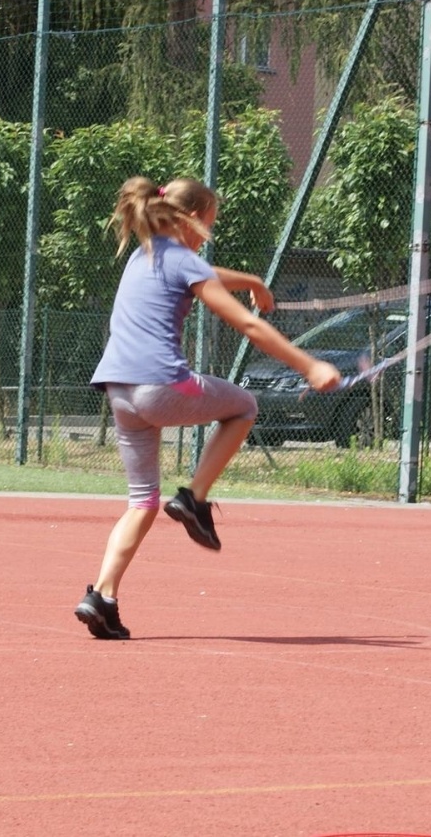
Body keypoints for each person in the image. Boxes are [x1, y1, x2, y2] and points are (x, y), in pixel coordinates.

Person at [73, 176, 342, 640]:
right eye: (208, 226)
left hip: (121, 395)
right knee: (243, 406)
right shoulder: (181, 258)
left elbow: (208, 275)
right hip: (162, 386)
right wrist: (309, 365)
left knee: (142, 502)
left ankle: (101, 596)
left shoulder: (145, 254)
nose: (206, 237)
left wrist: (253, 281)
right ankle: (194, 498)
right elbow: (247, 326)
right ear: (193, 218)